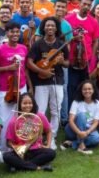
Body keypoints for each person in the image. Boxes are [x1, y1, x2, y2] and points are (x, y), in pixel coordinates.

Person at [27, 16, 69, 150]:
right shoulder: (38, 44)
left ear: (56, 29)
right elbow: (29, 62)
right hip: (40, 82)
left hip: (57, 81)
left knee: (56, 110)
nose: (50, 28)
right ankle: (39, 137)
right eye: (47, 25)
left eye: (52, 26)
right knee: (40, 110)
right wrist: (42, 71)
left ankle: (52, 137)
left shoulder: (61, 44)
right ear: (43, 28)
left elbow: (68, 63)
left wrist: (62, 62)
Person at [0, 22, 31, 151]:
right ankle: (2, 150)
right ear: (7, 33)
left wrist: (30, 86)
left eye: (17, 32)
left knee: (21, 118)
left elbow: (25, 69)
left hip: (21, 87)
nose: (15, 34)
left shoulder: (23, 48)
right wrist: (8, 68)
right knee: (4, 120)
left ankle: (18, 147)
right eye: (12, 31)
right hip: (5, 89)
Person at [65, 0, 99, 122]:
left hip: (86, 60)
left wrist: (92, 57)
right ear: (79, 4)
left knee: (86, 88)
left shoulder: (94, 22)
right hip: (72, 60)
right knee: (71, 87)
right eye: (84, 4)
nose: (86, 7)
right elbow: (63, 38)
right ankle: (71, 116)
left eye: (89, 5)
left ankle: (86, 115)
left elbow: (96, 41)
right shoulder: (68, 19)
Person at [2, 93, 56, 172]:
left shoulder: (39, 116)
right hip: (21, 151)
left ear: (33, 104)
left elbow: (49, 131)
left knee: (51, 153)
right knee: (6, 156)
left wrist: (48, 145)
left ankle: (18, 166)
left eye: (30, 103)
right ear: (20, 105)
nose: (27, 105)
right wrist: (18, 148)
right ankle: (37, 167)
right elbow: (8, 142)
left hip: (36, 149)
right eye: (24, 103)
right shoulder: (14, 120)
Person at [63, 80, 99, 155]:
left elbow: (96, 122)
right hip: (73, 130)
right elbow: (71, 120)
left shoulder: (98, 104)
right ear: (81, 91)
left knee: (97, 138)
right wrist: (79, 132)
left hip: (87, 130)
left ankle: (71, 143)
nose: (87, 91)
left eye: (89, 89)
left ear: (93, 90)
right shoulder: (76, 102)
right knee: (82, 115)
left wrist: (87, 132)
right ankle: (81, 145)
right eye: (84, 89)